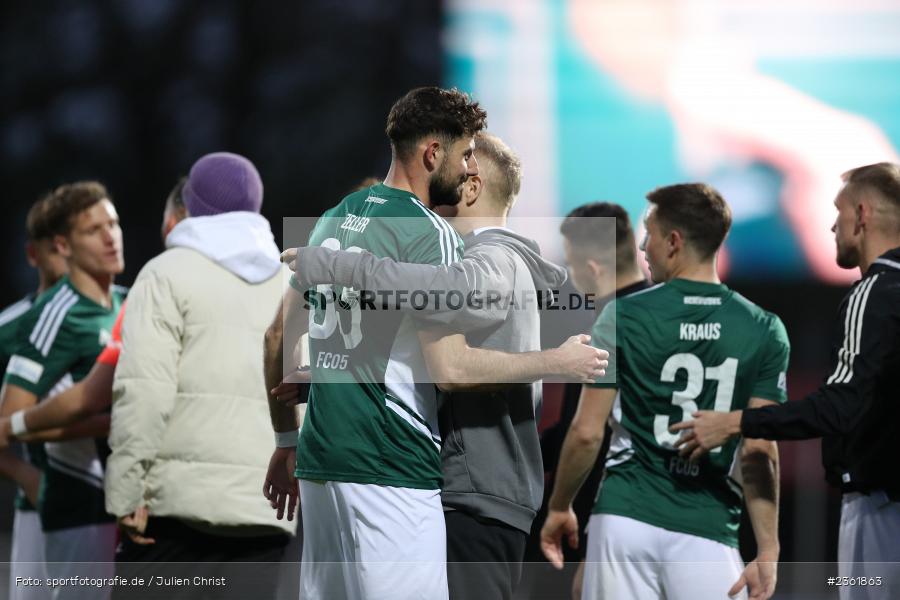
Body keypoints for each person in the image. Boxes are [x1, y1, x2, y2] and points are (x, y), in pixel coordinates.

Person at [263, 87, 606, 600]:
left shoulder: (335, 216)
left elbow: (277, 336)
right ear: (433, 154)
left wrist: (289, 436)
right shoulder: (432, 235)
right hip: (390, 461)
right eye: (465, 153)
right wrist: (557, 360)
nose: (469, 168)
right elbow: (449, 368)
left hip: (321, 463)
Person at [541, 183, 788, 600]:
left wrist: (560, 506)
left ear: (673, 242)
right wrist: (768, 548)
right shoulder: (763, 328)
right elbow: (759, 449)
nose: (642, 245)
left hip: (624, 518)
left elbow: (586, 432)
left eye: (649, 233)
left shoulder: (622, 316)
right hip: (707, 526)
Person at [672, 162, 900, 600]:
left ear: (863, 215)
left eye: (839, 211)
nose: (833, 224)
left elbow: (840, 406)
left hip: (881, 515)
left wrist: (738, 422)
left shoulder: (873, 294)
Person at [103, 154, 294, 599]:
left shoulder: (165, 274)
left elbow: (143, 394)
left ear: (191, 205)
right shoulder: (290, 280)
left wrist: (124, 494)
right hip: (265, 513)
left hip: (174, 516)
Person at [1, 181, 126, 600]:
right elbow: (8, 422)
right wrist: (25, 475)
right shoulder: (42, 317)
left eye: (114, 224)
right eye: (94, 230)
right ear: (59, 247)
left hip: (127, 504)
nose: (110, 236)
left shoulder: (130, 303)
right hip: (72, 503)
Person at [533, 202, 650, 600]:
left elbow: (581, 432)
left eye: (571, 263)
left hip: (595, 524)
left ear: (595, 269)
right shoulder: (664, 316)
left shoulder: (608, 323)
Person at [1, 194, 68, 600]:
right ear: (33, 253)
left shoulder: (124, 311)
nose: (69, 254)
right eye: (56, 245)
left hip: (115, 510)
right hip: (39, 517)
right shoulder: (9, 329)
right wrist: (26, 475)